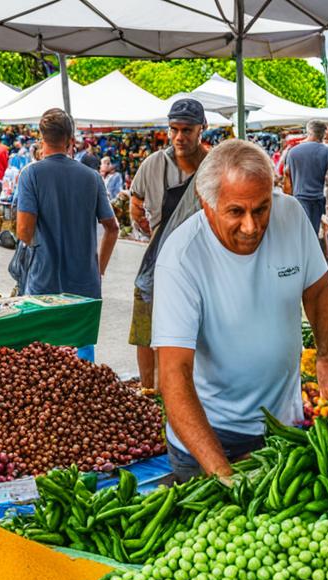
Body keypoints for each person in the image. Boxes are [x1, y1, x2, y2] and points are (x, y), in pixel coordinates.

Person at [153, 139, 328, 481]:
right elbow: (174, 375)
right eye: (236, 212)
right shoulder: (182, 258)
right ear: (207, 203)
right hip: (210, 440)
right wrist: (223, 475)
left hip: (283, 431)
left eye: (260, 209)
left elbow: (318, 292)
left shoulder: (290, 214)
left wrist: (327, 359)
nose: (251, 226)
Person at [129, 98, 209, 392]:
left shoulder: (214, 167)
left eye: (187, 130)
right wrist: (140, 220)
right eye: (173, 129)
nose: (178, 137)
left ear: (203, 128)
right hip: (156, 261)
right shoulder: (154, 164)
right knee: (145, 333)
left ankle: (191, 392)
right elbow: (135, 199)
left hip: (202, 267)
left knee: (194, 335)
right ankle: (149, 391)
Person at [15, 109, 118, 300]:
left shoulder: (31, 175)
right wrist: (99, 270)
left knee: (44, 331)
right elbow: (112, 228)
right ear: (70, 139)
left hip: (44, 286)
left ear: (41, 137)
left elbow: (24, 232)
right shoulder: (93, 177)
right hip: (86, 288)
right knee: (82, 332)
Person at [284, 120, 328, 233]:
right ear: (323, 134)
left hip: (299, 199)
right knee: (313, 234)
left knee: (300, 234)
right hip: (318, 200)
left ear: (309, 132)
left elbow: (287, 178)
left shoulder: (292, 152)